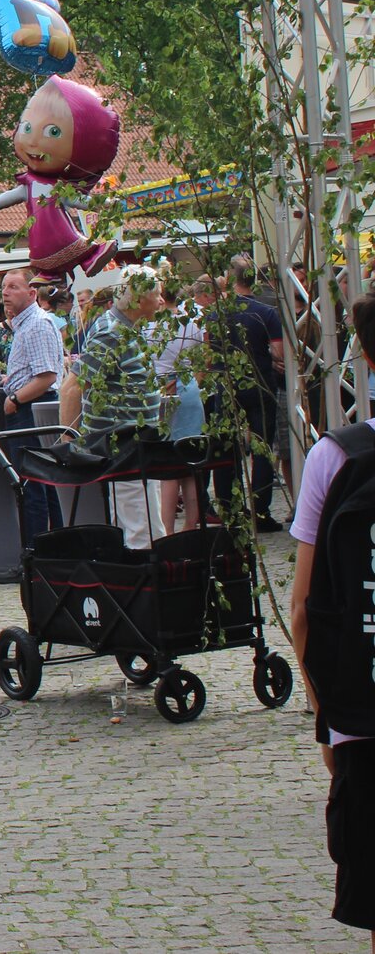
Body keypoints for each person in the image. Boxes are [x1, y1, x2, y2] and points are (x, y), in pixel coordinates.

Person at [288, 291, 375, 953]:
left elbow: (303, 606)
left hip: (362, 716)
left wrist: (329, 719)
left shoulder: (335, 457)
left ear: (365, 358)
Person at [63, 265, 165, 549]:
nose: (161, 300)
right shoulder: (113, 333)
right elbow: (72, 387)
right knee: (142, 537)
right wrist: (69, 442)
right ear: (137, 300)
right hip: (124, 451)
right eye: (156, 294)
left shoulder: (125, 329)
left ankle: (141, 589)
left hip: (137, 451)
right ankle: (139, 590)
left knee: (147, 532)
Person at [0, 269, 66, 539]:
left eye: (13, 287)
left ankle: (35, 557)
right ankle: (48, 553)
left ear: (32, 293)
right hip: (29, 407)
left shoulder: (37, 323)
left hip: (32, 409)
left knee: (32, 485)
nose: (5, 292)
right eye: (4, 287)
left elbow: (47, 376)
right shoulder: (25, 324)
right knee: (40, 484)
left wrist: (15, 398)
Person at [228, 254, 288, 532]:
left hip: (226, 384)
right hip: (260, 383)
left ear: (231, 279)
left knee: (227, 448)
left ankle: (232, 511)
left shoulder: (217, 312)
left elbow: (206, 353)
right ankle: (261, 512)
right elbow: (278, 353)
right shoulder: (266, 312)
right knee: (262, 448)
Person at [153, 276, 211, 534]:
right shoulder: (193, 321)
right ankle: (190, 525)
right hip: (189, 388)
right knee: (191, 464)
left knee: (167, 467)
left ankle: (167, 530)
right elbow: (205, 358)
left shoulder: (151, 325)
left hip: (161, 388)